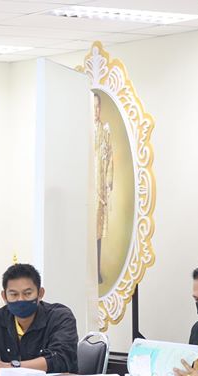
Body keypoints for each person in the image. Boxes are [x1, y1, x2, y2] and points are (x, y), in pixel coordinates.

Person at [0, 263, 78, 376]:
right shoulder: (0, 318)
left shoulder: (60, 317)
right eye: (13, 294)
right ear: (4, 296)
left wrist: (10, 367)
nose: (20, 299)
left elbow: (60, 359)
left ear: (40, 293)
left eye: (27, 293)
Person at [94, 92, 114, 285]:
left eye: (98, 107)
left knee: (98, 232)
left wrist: (108, 180)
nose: (95, 110)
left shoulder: (105, 131)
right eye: (93, 107)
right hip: (86, 190)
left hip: (99, 187)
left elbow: (110, 157)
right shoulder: (82, 132)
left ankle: (96, 270)